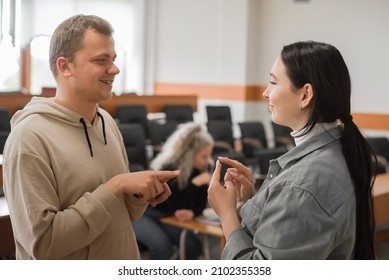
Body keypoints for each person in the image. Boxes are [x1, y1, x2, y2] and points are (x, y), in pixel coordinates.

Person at [2, 14, 179, 260]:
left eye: (114, 59)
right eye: (101, 60)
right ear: (65, 67)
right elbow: (43, 245)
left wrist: (139, 196)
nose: (115, 69)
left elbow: (121, 218)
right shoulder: (29, 138)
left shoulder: (106, 122)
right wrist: (115, 187)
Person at [208, 41, 377, 260]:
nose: (265, 93)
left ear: (305, 95)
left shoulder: (301, 186)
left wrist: (227, 214)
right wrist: (256, 202)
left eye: (273, 82)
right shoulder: (339, 151)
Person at [133, 122, 214, 259]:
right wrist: (195, 184)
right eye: (204, 156)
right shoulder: (169, 168)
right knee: (162, 248)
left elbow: (200, 205)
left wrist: (192, 212)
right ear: (189, 154)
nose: (208, 161)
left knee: (192, 246)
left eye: (209, 156)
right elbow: (174, 204)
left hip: (168, 218)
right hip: (146, 213)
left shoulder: (201, 170)